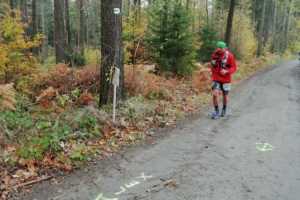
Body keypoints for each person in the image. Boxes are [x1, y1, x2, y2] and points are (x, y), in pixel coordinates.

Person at [210, 41, 237, 119]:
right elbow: (212, 66)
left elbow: (234, 68)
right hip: (216, 78)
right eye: (218, 47)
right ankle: (216, 111)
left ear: (225, 48)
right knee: (215, 94)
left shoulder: (230, 56)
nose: (219, 49)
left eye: (221, 48)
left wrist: (226, 71)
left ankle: (224, 109)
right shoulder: (214, 55)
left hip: (226, 79)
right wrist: (214, 74)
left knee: (225, 95)